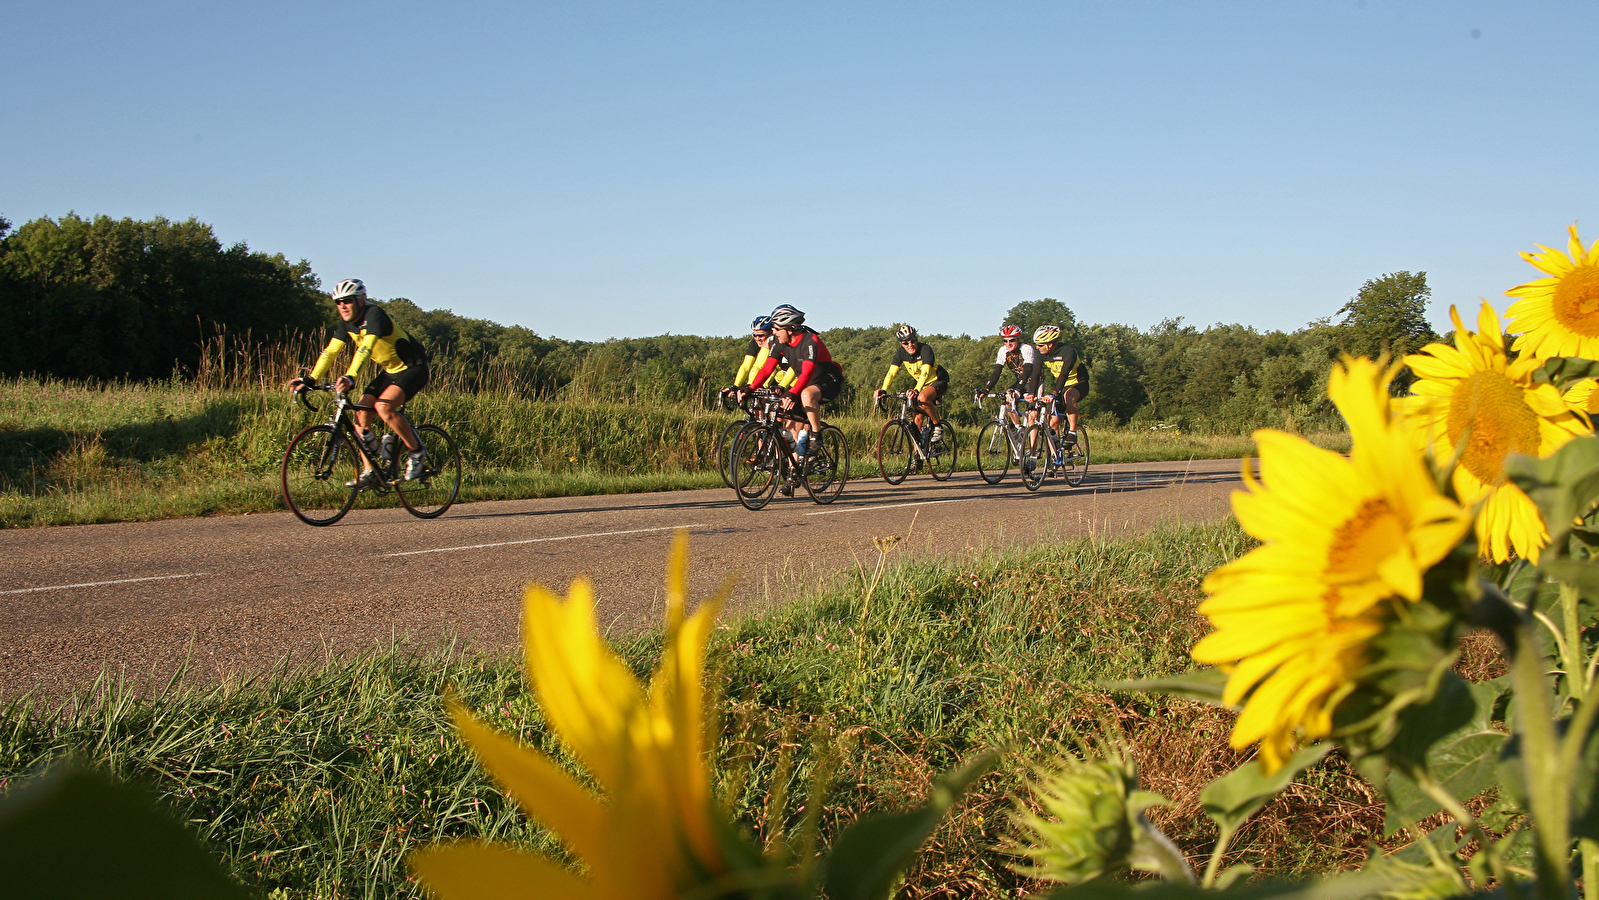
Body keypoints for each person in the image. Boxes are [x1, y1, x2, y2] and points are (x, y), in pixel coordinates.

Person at [287, 279, 430, 489]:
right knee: (361, 413)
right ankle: (371, 471)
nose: (342, 306)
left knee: (383, 406)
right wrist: (310, 379)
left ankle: (416, 451)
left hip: (413, 368)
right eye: (338, 302)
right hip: (390, 371)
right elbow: (330, 351)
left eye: (348, 301)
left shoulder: (374, 315)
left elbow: (365, 348)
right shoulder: (346, 324)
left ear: (361, 300)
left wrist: (350, 376)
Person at [739, 304, 844, 494]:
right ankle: (794, 472)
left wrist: (793, 392)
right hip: (804, 384)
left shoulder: (810, 341)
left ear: (790, 328)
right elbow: (766, 368)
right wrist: (750, 388)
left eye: (776, 329)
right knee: (790, 428)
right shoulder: (780, 343)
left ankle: (816, 435)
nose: (773, 332)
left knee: (806, 394)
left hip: (828, 381)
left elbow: (807, 372)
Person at [873, 324, 948, 445]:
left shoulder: (925, 349)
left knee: (922, 398)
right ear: (901, 344)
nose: (910, 345)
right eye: (905, 343)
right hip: (922, 385)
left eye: (913, 341)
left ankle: (938, 426)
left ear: (916, 339)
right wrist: (883, 389)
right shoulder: (901, 353)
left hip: (938, 380)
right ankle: (917, 458)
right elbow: (891, 373)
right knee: (916, 419)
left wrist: (917, 389)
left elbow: (925, 372)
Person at [1026, 324, 1088, 444]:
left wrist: (1054, 393)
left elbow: (1064, 375)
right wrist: (1031, 393)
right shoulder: (1040, 353)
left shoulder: (1068, 351)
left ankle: (1072, 432)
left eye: (1040, 345)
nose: (1037, 347)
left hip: (1078, 383)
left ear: (1050, 344)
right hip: (1062, 386)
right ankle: (1057, 456)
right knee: (1052, 423)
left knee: (1068, 396)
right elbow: (1036, 374)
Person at [977, 324, 1037, 428]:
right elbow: (997, 372)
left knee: (1032, 418)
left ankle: (1033, 444)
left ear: (1019, 339)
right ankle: (1018, 428)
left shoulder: (1026, 348)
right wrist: (987, 389)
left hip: (1035, 382)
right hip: (1020, 381)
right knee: (1007, 398)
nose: (1008, 344)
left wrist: (1018, 389)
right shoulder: (1003, 351)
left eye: (1012, 340)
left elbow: (1027, 371)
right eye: (1005, 341)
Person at [730, 315, 796, 393]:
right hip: (778, 380)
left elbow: (774, 368)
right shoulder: (756, 343)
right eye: (755, 335)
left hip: (793, 380)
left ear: (771, 333)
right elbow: (752, 366)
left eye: (761, 335)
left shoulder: (779, 343)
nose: (757, 339)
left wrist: (766, 386)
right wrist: (746, 385)